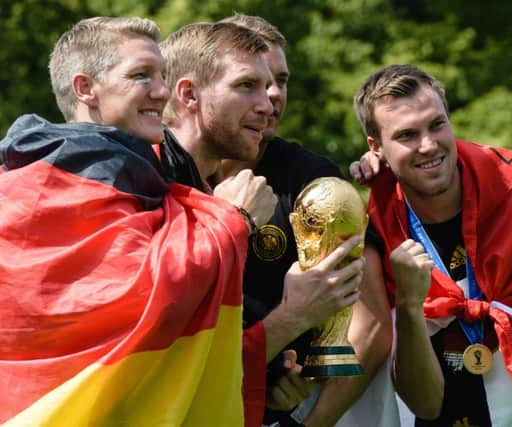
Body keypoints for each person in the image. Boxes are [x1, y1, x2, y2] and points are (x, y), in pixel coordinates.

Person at [0, 17, 276, 426]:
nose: (162, 91)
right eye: (141, 75)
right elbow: (149, 298)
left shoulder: (121, 173)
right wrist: (235, 217)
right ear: (85, 88)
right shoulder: (79, 178)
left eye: (162, 75)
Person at [160, 16, 392, 427]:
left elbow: (369, 327)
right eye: (249, 83)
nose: (271, 98)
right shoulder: (153, 177)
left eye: (279, 81)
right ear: (194, 91)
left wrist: (308, 416)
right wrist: (268, 352)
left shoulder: (313, 183)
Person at [352, 64, 512, 426]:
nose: (428, 145)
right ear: (376, 148)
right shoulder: (378, 233)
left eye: (437, 124)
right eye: (407, 135)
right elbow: (424, 404)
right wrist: (409, 304)